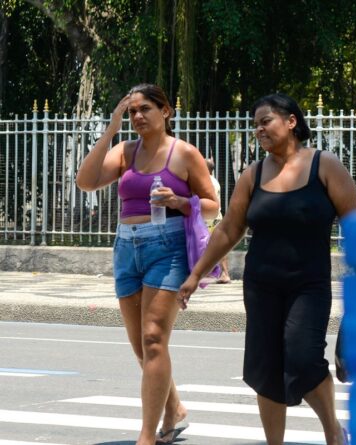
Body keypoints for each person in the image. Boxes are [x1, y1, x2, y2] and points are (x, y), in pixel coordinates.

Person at [178, 93, 356, 445]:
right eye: (255, 125)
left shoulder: (325, 166)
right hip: (262, 286)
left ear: (291, 122)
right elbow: (230, 229)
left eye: (266, 121)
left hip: (309, 285)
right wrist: (196, 273)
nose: (258, 129)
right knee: (265, 369)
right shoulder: (253, 174)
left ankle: (333, 432)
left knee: (304, 358)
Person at [76, 83, 219, 445]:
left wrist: (180, 200)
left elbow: (213, 205)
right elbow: (86, 181)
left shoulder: (184, 154)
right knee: (142, 345)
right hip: (126, 247)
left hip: (168, 246)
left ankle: (146, 436)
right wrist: (111, 129)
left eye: (145, 109)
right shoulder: (125, 151)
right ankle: (174, 409)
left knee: (154, 337)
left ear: (165, 111)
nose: (138, 116)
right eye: (132, 111)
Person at [204, 157, 231, 283]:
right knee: (218, 246)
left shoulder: (207, 182)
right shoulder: (214, 181)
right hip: (215, 217)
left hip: (208, 219)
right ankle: (222, 273)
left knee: (213, 246)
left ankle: (223, 273)